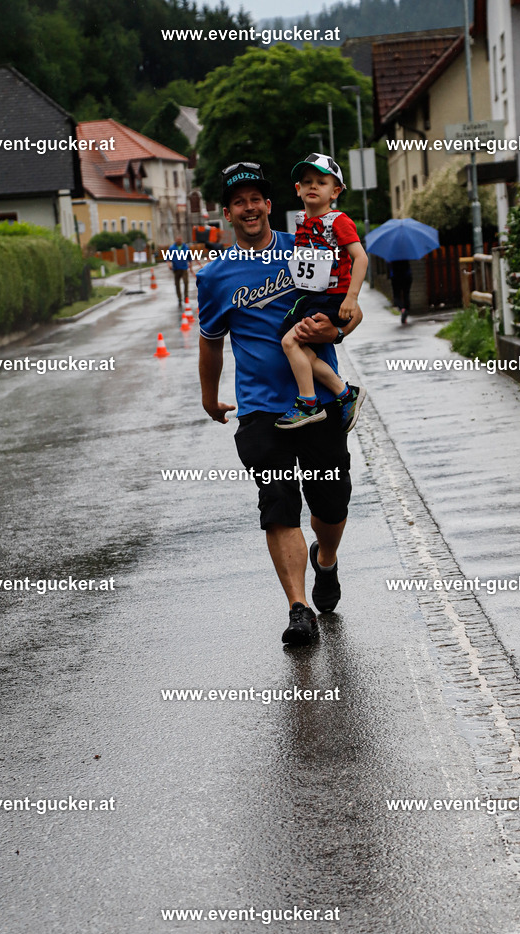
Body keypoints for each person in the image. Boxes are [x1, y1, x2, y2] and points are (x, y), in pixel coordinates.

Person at [197, 161, 362, 646]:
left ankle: (325, 559)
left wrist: (337, 328)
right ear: (227, 213)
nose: (249, 207)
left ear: (270, 205)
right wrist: (210, 397)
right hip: (261, 408)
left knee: (331, 505)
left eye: (256, 199)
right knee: (278, 503)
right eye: (238, 201)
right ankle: (298, 608)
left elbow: (347, 309)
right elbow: (210, 342)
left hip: (317, 404)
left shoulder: (308, 245)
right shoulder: (215, 276)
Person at [276, 153, 368, 431]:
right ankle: (344, 393)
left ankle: (308, 402)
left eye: (321, 182)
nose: (313, 186)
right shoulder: (302, 220)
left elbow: (361, 258)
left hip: (332, 298)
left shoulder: (338, 221)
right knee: (295, 345)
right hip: (311, 297)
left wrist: (351, 298)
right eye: (307, 182)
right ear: (298, 190)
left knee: (290, 343)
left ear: (335, 191)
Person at [164, 235, 192, 306]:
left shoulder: (185, 247)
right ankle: (179, 297)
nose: (179, 240)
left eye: (180, 239)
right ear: (175, 240)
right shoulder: (172, 248)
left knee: (186, 282)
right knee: (177, 284)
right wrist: (169, 264)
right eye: (178, 239)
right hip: (176, 268)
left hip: (184, 268)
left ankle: (186, 296)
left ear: (181, 240)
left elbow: (189, 257)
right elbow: (168, 258)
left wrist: (190, 264)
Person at [388, 259, 412, 324]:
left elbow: (389, 267)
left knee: (396, 296)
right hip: (407, 276)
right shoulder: (405, 254)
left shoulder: (392, 256)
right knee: (406, 295)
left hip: (396, 277)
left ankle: (402, 309)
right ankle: (405, 311)